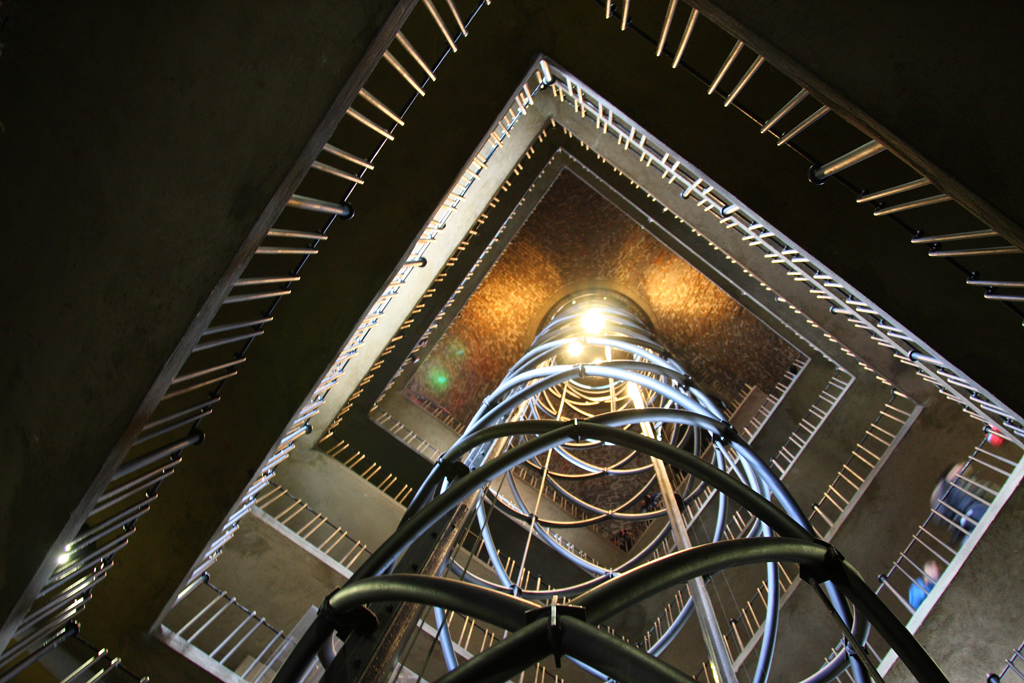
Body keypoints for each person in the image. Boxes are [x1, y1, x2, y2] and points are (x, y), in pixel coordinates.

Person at [931, 461, 994, 547]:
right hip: (973, 513)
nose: (962, 465)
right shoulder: (949, 489)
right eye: (959, 466)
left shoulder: (961, 489)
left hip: (967, 523)